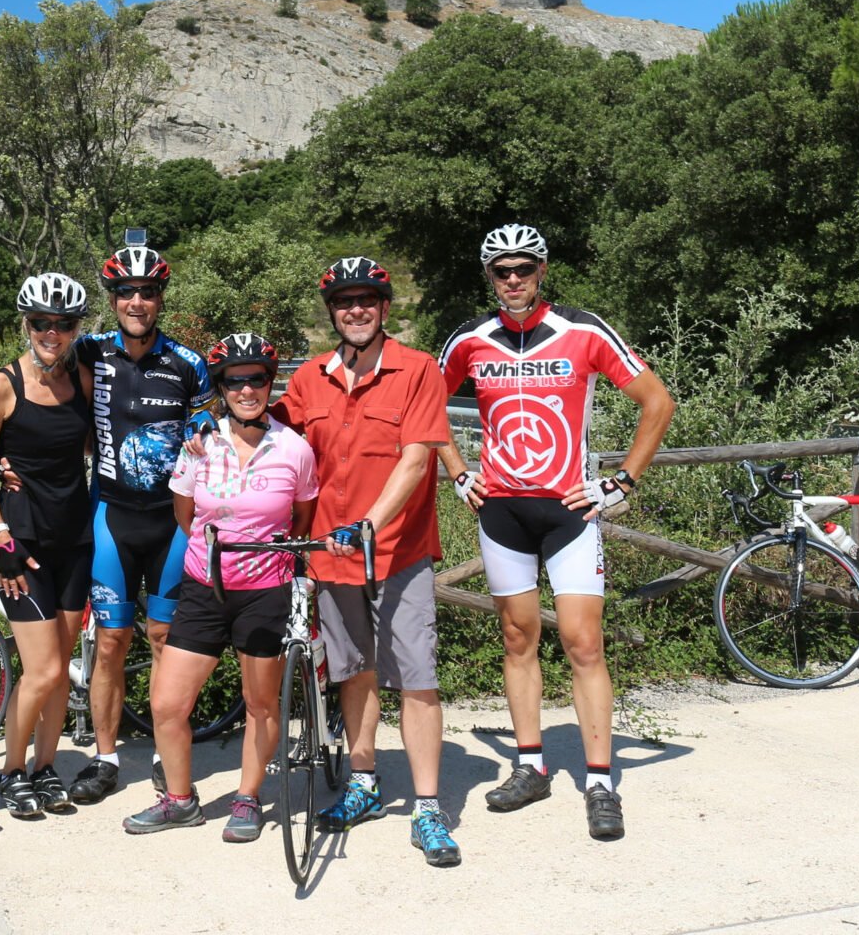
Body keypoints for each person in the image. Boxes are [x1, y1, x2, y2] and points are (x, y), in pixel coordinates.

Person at [436, 224, 675, 842]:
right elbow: (423, 407)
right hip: (502, 514)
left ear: (542, 271)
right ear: (488, 277)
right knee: (518, 639)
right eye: (500, 271)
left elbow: (658, 402)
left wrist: (621, 481)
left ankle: (600, 780)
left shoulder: (585, 330)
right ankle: (531, 764)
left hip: (571, 512)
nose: (512, 280)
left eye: (522, 268)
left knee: (582, 643)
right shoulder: (470, 339)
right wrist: (459, 473)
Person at [275, 256, 462, 868]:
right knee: (353, 673)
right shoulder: (308, 379)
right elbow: (271, 438)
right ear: (332, 312)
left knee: (416, 678)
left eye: (367, 301)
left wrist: (368, 526)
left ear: (384, 309)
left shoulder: (417, 370)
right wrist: (208, 428)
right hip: (332, 558)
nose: (356, 310)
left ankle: (429, 808)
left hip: (399, 553)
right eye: (344, 302)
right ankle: (364, 783)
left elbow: (416, 460)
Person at [121, 333, 319, 841]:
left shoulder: (294, 449)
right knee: (166, 704)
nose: (247, 389)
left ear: (270, 384)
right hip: (205, 587)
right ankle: (180, 800)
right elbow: (185, 515)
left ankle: (249, 798)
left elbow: (301, 518)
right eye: (235, 381)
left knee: (260, 704)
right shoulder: (199, 445)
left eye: (257, 379)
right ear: (221, 388)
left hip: (265, 590)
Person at [66, 242, 212, 805]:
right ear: (112, 298)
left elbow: (209, 439)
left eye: (147, 291)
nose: (136, 300)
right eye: (125, 290)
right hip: (111, 516)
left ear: (159, 299)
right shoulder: (89, 353)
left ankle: (162, 750)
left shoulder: (188, 364)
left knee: (164, 639)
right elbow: (47, 403)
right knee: (110, 642)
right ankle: (104, 758)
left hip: (173, 524)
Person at [0, 273, 95, 819]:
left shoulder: (82, 381)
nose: (53, 332)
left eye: (63, 324)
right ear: (26, 325)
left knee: (62, 664)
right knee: (42, 669)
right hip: (22, 545)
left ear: (75, 329)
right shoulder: (1, 386)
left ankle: (46, 769)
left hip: (76, 538)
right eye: (42, 323)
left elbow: (96, 446)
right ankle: (10, 771)